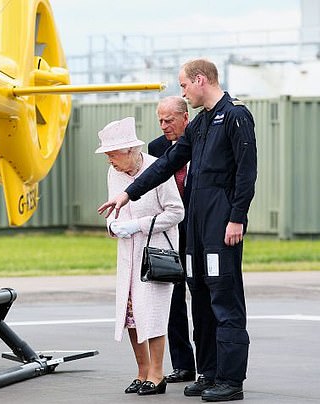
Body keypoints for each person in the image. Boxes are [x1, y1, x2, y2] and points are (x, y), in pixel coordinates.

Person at [98, 59, 257, 402]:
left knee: (224, 300)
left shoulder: (235, 116)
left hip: (221, 224)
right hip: (196, 227)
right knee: (199, 299)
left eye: (184, 85)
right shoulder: (199, 125)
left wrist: (237, 217)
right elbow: (166, 164)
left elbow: (246, 172)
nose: (182, 92)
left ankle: (231, 380)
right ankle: (208, 372)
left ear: (201, 80)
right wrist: (127, 193)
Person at [95, 116, 184, 396]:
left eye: (113, 154)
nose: (110, 160)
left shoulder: (158, 169)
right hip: (128, 255)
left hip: (155, 253)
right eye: (107, 155)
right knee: (131, 314)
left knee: (153, 314)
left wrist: (139, 225)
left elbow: (176, 212)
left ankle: (157, 375)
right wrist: (113, 226)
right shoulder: (114, 173)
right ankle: (142, 371)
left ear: (131, 150)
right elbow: (114, 209)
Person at [149, 96, 196, 384]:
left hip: (199, 228)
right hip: (170, 232)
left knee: (202, 299)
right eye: (160, 121)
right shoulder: (156, 148)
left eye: (169, 120)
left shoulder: (200, 143)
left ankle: (209, 365)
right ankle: (183, 365)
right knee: (173, 300)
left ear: (185, 118)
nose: (164, 126)